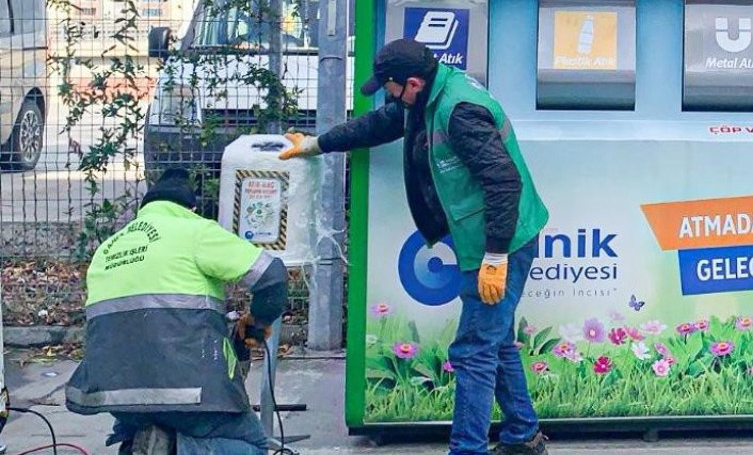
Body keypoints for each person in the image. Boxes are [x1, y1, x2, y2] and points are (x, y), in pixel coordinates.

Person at [280, 38, 550, 455]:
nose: (387, 95)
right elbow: (379, 124)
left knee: (473, 349)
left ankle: (468, 449)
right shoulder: (427, 98)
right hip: (484, 238)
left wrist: (495, 255)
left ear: (412, 83)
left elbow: (504, 181)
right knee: (492, 340)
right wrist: (317, 144)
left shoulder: (458, 112)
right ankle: (522, 436)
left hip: (502, 241)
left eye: (389, 86)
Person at [65, 168, 288, 455]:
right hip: (185, 391)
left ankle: (138, 443)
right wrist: (256, 324)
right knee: (252, 445)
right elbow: (272, 276)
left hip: (115, 394)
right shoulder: (195, 230)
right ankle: (170, 448)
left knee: (147, 429)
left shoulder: (107, 249)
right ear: (190, 208)